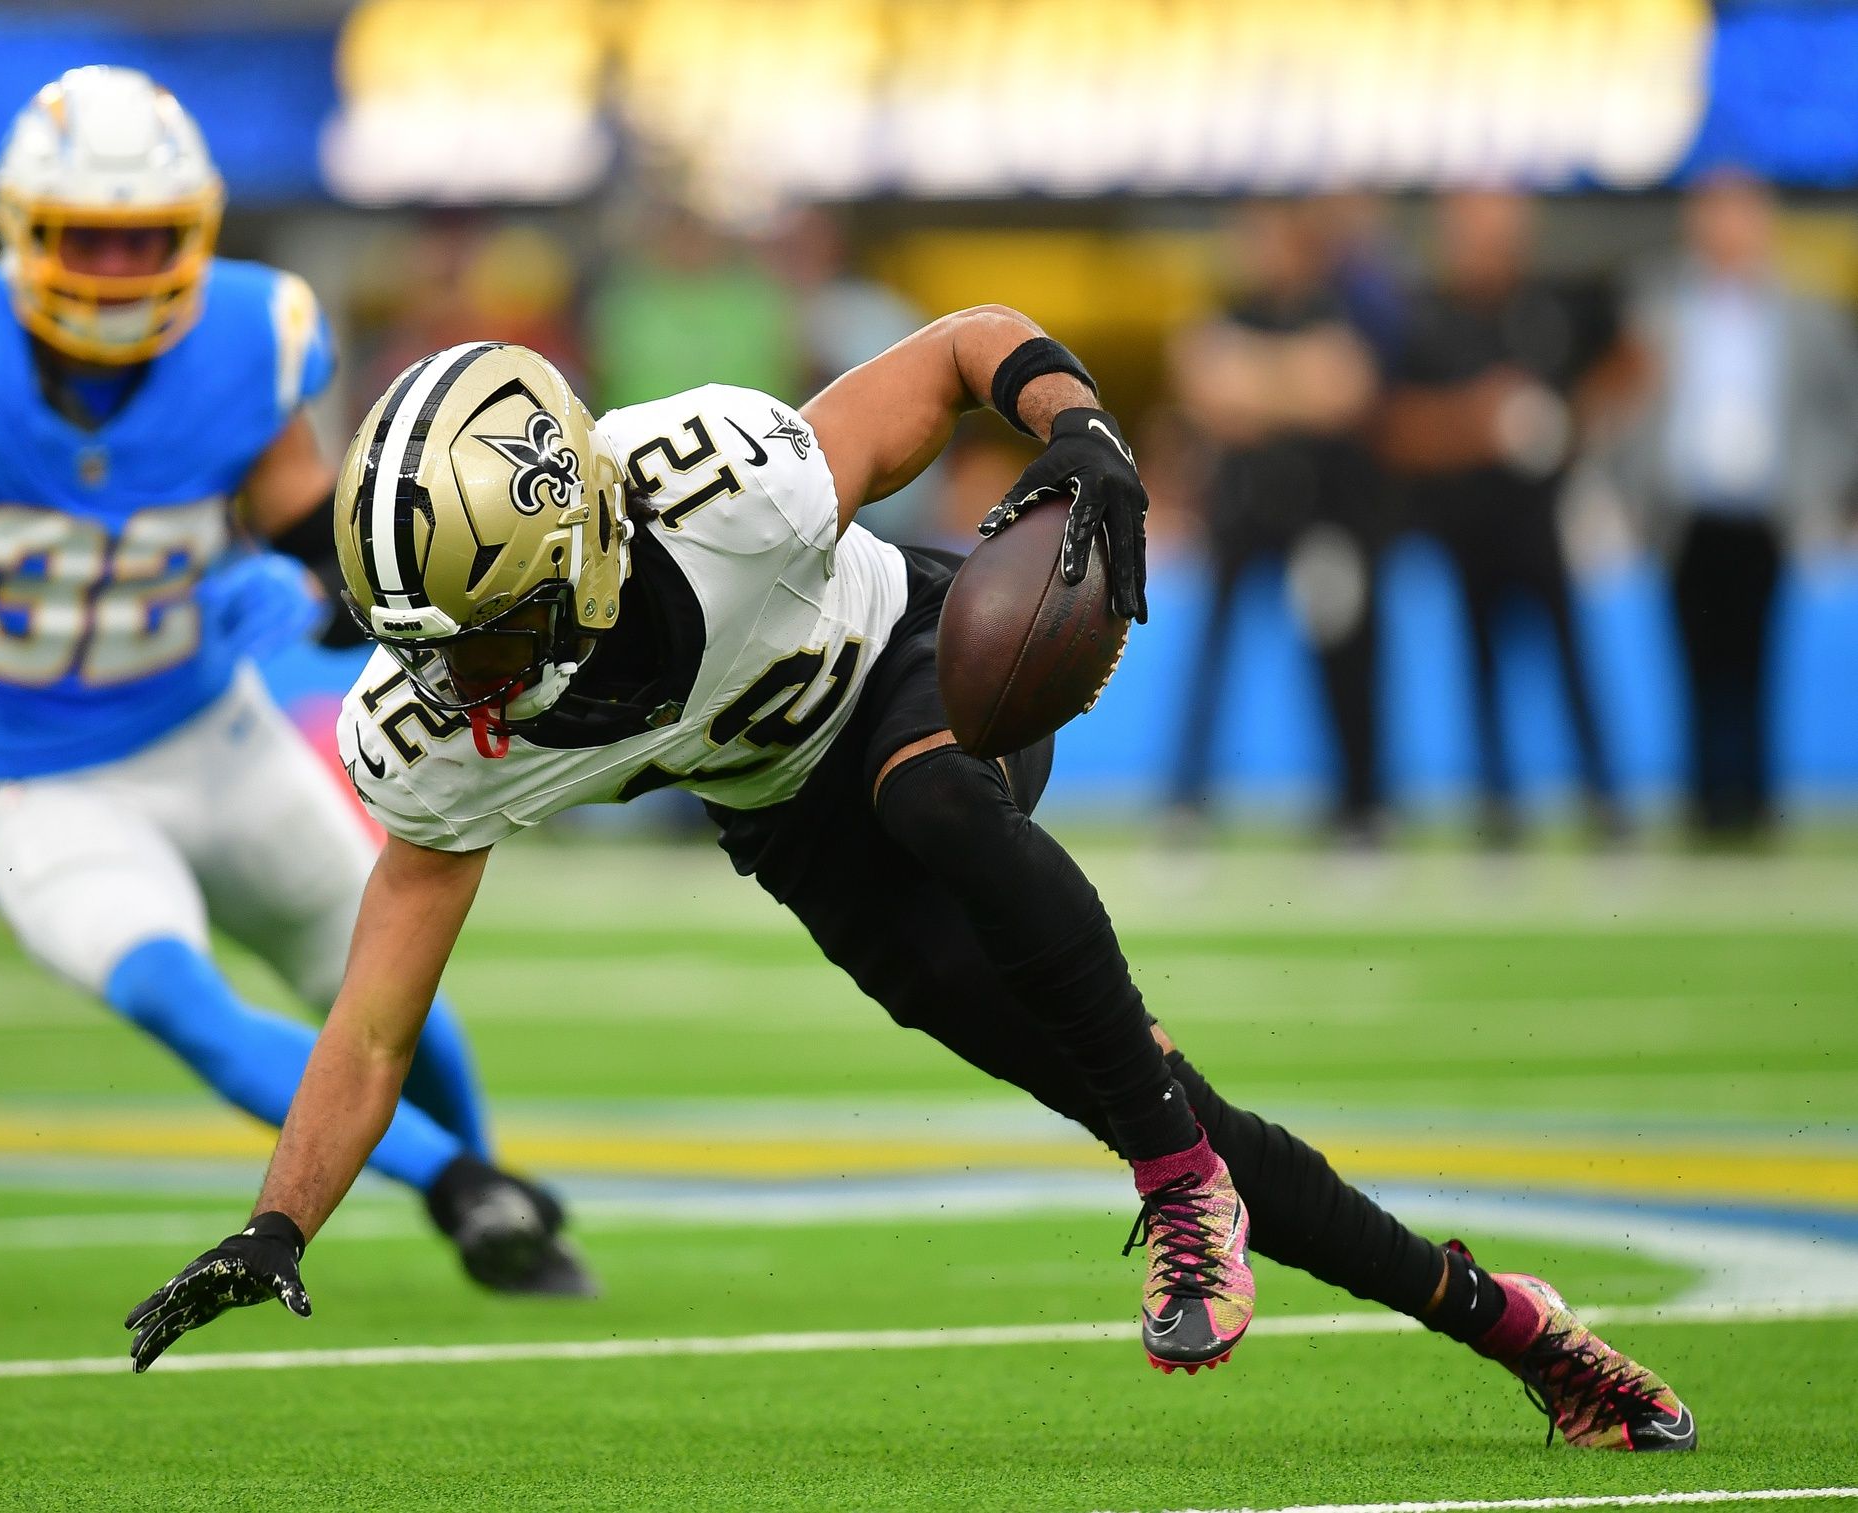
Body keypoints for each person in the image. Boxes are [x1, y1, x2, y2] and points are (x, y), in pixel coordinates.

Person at [123, 323, 1693, 1451]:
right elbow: (374, 1026)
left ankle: (1172, 1189)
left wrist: (1080, 431)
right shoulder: (451, 736)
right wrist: (280, 1225)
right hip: (799, 835)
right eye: (431, 645)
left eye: (483, 631)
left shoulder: (725, 482)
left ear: (588, 537)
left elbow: (959, 351)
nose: (456, 680)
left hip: (925, 666)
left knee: (933, 795)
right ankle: (1515, 1328)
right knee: (1143, 1087)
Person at [0, 67, 592, 1297]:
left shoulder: (245, 343)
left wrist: (316, 599)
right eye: (89, 238)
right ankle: (465, 1188)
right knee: (181, 999)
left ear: (196, 231)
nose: (118, 267)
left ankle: (489, 1194)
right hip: (39, 784)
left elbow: (335, 568)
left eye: (146, 235)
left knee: (376, 982)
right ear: (27, 233)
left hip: (214, 736)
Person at [1379, 190, 1627, 845]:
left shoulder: (1550, 308)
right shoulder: (1430, 319)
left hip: (1540, 523)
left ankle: (1606, 802)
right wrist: (1480, 421)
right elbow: (1396, 428)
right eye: (1473, 231)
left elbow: (1629, 364)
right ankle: (1499, 809)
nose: (1486, 244)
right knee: (1482, 670)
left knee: (1572, 663)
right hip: (1467, 527)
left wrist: (1574, 424)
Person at [1622, 168, 1858, 842]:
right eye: (1713, 213)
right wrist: (1632, 490)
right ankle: (1704, 803)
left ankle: (1755, 801)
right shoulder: (1659, 301)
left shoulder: (1803, 309)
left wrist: (1828, 486)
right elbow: (1629, 401)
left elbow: (1841, 407)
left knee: (1757, 662)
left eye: (1739, 213)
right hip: (1684, 509)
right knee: (1694, 663)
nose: (1726, 228)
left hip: (1764, 509)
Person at [1169, 200, 1389, 840]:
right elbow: (1212, 396)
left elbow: (1345, 394)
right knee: (1212, 659)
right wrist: (1297, 376)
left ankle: (1358, 807)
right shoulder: (1230, 314)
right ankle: (1188, 801)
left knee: (1338, 656)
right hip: (1239, 514)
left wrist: (1255, 377)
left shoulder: (1336, 310)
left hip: (1320, 514)